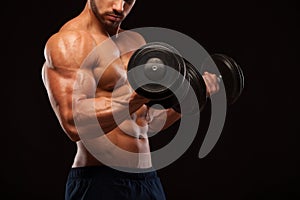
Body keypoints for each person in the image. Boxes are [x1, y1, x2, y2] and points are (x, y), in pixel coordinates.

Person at [41, 0, 220, 199]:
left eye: (127, 0)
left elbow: (146, 122)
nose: (119, 7)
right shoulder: (71, 42)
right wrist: (138, 97)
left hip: (147, 181)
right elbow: (73, 124)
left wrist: (189, 100)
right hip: (100, 182)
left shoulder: (135, 42)